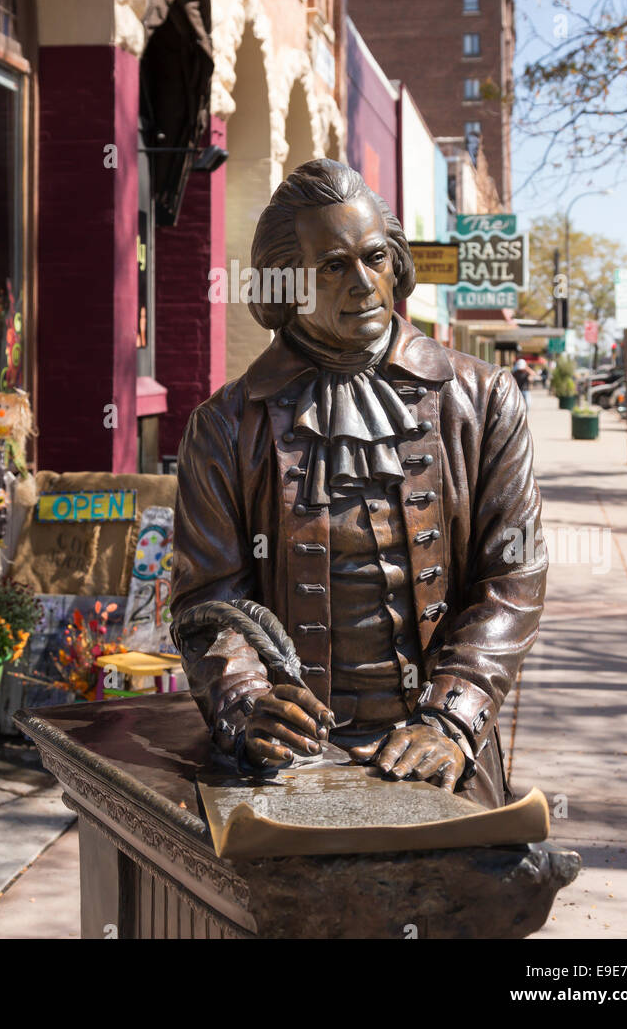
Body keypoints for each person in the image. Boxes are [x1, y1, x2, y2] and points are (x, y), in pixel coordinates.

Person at [171, 160, 548, 809]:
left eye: (375, 258)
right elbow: (209, 601)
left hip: (438, 749)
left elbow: (513, 578)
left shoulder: (483, 400)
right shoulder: (225, 427)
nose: (364, 283)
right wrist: (247, 705)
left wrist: (452, 717)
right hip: (289, 767)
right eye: (332, 266)